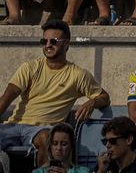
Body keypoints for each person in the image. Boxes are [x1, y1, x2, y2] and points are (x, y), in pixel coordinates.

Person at [0, 21, 107, 162]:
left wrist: (92, 102)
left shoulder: (78, 74)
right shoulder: (29, 67)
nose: (48, 45)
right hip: (14, 125)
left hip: (43, 129)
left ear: (67, 44)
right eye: (44, 41)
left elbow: (105, 97)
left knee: (48, 139)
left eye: (54, 41)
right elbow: (7, 97)